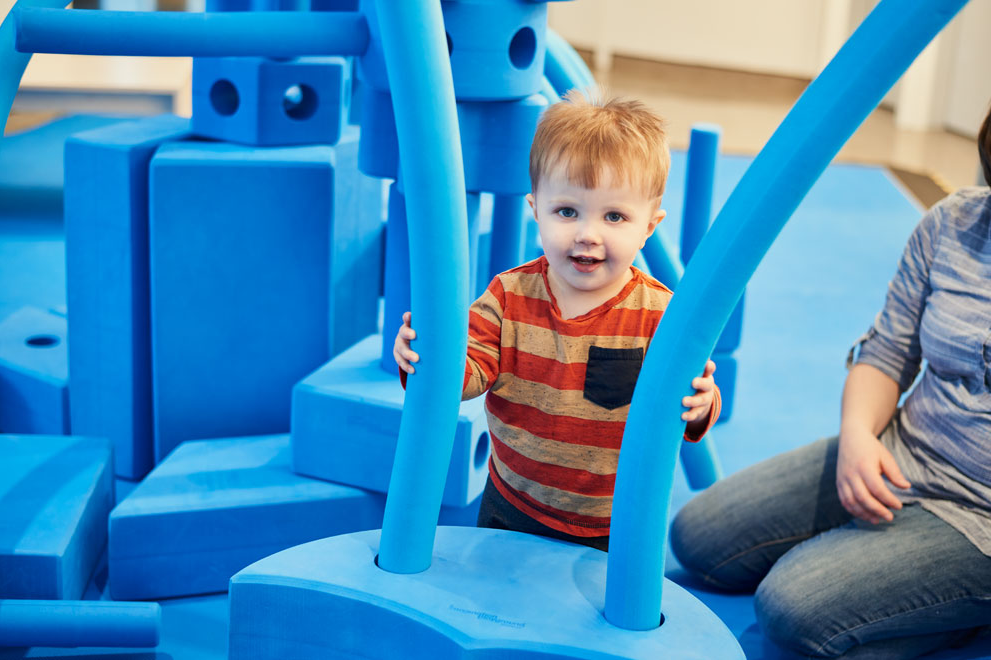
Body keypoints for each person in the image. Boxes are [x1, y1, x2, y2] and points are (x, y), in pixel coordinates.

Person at [670, 103, 991, 659]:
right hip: (902, 455)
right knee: (699, 538)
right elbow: (888, 351)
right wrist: (859, 438)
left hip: (978, 516)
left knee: (792, 605)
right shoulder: (954, 221)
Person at [394, 91, 721, 552]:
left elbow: (683, 405)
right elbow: (465, 375)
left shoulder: (660, 315)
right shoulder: (508, 297)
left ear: (649, 226)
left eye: (614, 216)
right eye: (567, 211)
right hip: (511, 505)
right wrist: (421, 358)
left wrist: (702, 404)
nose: (587, 234)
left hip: (612, 522)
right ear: (535, 210)